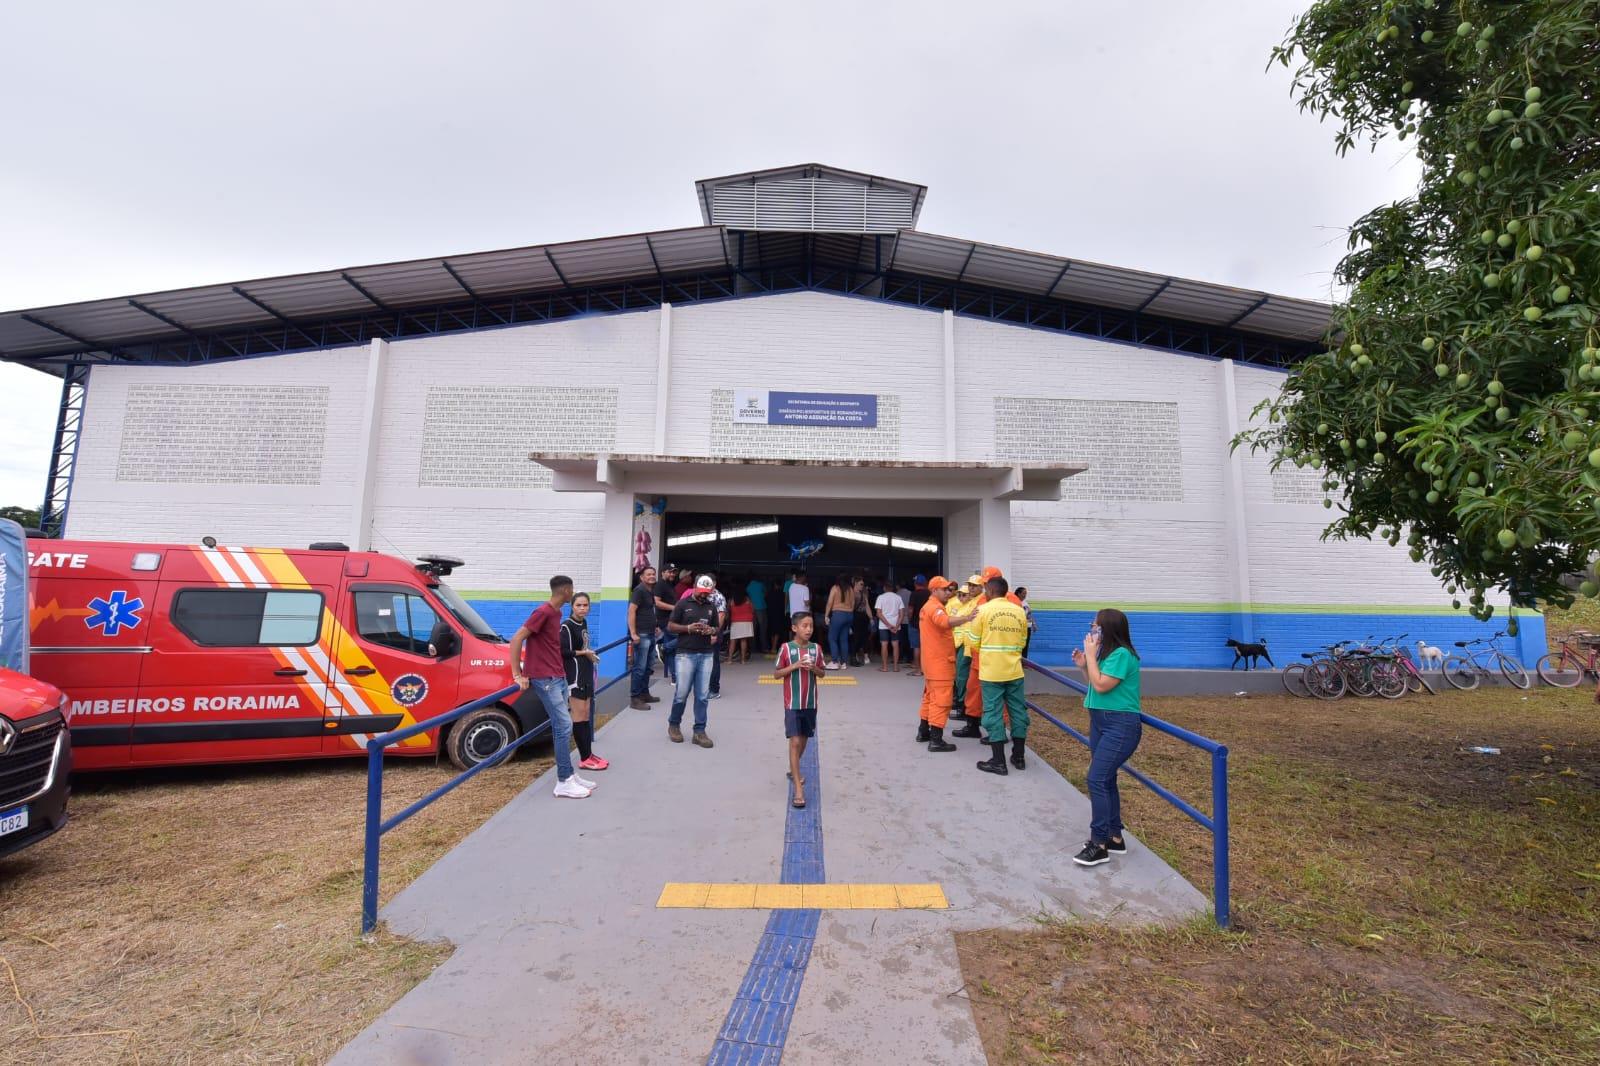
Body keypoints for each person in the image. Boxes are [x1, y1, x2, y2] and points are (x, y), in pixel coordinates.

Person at [510, 575, 598, 799]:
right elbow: (517, 638)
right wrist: (517, 674)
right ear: (567, 591)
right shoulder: (544, 612)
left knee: (563, 727)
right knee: (563, 726)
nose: (573, 593)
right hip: (544, 678)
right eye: (573, 591)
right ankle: (563, 781)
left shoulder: (557, 613)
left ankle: (569, 774)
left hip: (557, 676)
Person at [1072, 609, 1143, 866]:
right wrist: (1085, 665)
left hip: (1119, 725)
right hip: (1101, 721)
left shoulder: (1122, 655)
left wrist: (1091, 656)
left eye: (1095, 626)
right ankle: (1114, 837)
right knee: (1106, 779)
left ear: (1107, 629)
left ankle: (1098, 843)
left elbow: (1102, 685)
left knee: (1096, 778)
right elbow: (1095, 683)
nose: (1091, 631)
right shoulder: (1109, 655)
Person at [971, 575, 1032, 776]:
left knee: (993, 714)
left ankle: (998, 761)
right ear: (1006, 592)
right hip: (1014, 670)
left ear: (989, 591)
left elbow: (973, 641)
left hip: (991, 672)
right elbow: (1023, 641)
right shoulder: (1019, 611)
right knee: (1018, 712)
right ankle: (1019, 757)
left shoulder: (983, 610)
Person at [916, 577, 979, 752]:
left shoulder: (928, 607)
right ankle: (936, 739)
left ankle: (924, 731)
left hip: (931, 663)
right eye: (945, 589)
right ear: (934, 590)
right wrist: (967, 618)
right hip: (940, 664)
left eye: (949, 590)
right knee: (942, 701)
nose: (949, 592)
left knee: (929, 697)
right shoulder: (935, 608)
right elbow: (945, 622)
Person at [773, 611, 827, 808]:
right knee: (795, 741)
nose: (809, 629)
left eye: (811, 626)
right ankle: (798, 787)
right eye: (804, 626)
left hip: (810, 703)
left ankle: (792, 769)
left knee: (803, 741)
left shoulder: (816, 649)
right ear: (794, 628)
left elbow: (822, 674)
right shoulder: (786, 648)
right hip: (793, 703)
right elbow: (777, 674)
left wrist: (814, 669)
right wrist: (795, 665)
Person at [665, 575, 720, 748]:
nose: (704, 596)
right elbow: (670, 626)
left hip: (706, 654)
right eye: (702, 592)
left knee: (703, 695)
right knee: (681, 692)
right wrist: (687, 628)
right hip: (685, 654)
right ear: (695, 587)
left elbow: (717, 628)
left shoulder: (712, 606)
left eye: (707, 593)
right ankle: (674, 725)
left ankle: (700, 731)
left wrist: (711, 630)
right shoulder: (683, 604)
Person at [561, 592, 608, 771]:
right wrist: (584, 653)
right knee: (579, 716)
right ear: (572, 606)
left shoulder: (584, 623)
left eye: (585, 605)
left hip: (586, 672)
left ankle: (588, 753)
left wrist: (590, 654)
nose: (582, 608)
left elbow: (582, 647)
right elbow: (564, 652)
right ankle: (584, 757)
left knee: (587, 714)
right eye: (578, 605)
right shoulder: (566, 626)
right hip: (575, 675)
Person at [949, 575, 987, 737]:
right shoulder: (972, 601)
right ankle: (966, 711)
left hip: (971, 648)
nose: (970, 589)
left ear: (982, 587)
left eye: (974, 586)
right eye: (969, 585)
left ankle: (966, 712)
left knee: (966, 681)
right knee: (964, 679)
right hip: (965, 646)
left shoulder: (980, 602)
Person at [628, 566, 661, 710]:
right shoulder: (639, 590)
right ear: (642, 577)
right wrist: (633, 633)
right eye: (648, 574)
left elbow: (648, 611)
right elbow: (631, 611)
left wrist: (655, 625)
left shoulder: (650, 591)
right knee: (639, 668)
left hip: (650, 633)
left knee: (648, 667)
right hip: (641, 635)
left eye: (653, 574)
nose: (652, 576)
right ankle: (635, 699)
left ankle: (644, 693)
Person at [654, 565, 680, 683]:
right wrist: (674, 608)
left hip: (672, 620)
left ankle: (675, 679)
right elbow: (657, 603)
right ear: (663, 572)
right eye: (670, 572)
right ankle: (662, 647)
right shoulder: (660, 585)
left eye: (674, 572)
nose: (672, 574)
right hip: (666, 621)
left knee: (671, 651)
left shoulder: (670, 585)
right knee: (684, 637)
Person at [823, 574, 854, 670]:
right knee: (844, 639)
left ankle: (834, 661)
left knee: (832, 638)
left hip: (838, 615)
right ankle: (843, 663)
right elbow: (853, 603)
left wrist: (826, 615)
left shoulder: (835, 588)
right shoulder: (850, 589)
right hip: (849, 615)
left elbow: (829, 603)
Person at [874, 581, 906, 672]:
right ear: (893, 588)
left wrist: (888, 625)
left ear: (884, 588)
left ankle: (885, 667)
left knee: (884, 644)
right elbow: (902, 614)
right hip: (895, 625)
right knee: (895, 645)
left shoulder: (880, 597)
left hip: (884, 625)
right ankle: (896, 667)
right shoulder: (898, 597)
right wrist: (896, 626)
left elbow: (878, 613)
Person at [906, 575, 931, 677]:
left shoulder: (914, 594)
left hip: (915, 623)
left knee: (916, 647)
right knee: (926, 647)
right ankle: (927, 669)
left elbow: (911, 609)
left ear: (915, 583)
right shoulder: (929, 594)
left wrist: (909, 619)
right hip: (927, 624)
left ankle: (918, 670)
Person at [728, 588, 756, 664]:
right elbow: (753, 610)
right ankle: (743, 660)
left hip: (735, 622)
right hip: (746, 622)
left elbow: (728, 611)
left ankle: (729, 660)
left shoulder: (732, 601)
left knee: (733, 641)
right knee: (743, 641)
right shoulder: (748, 600)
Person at [745, 574, 768, 654]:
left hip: (752, 609)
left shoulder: (748, 587)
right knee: (763, 628)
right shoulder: (761, 584)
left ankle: (752, 648)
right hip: (761, 608)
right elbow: (766, 593)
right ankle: (764, 648)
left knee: (753, 629)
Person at [852, 576, 872, 666]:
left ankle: (865, 656)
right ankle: (854, 655)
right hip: (855, 616)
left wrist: (871, 618)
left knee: (865, 636)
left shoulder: (863, 594)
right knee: (856, 637)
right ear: (855, 583)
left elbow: (867, 606)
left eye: (863, 584)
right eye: (861, 584)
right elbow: (850, 607)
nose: (862, 586)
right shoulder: (852, 593)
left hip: (863, 617)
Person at [1017, 585, 1038, 659]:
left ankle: (1024, 661)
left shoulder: (1025, 603)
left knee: (1026, 644)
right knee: (1018, 644)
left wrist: (1034, 624)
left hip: (1027, 627)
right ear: (1018, 593)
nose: (1025, 595)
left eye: (1026, 593)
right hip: (1018, 627)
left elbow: (1029, 615)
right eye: (1023, 593)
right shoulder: (1015, 602)